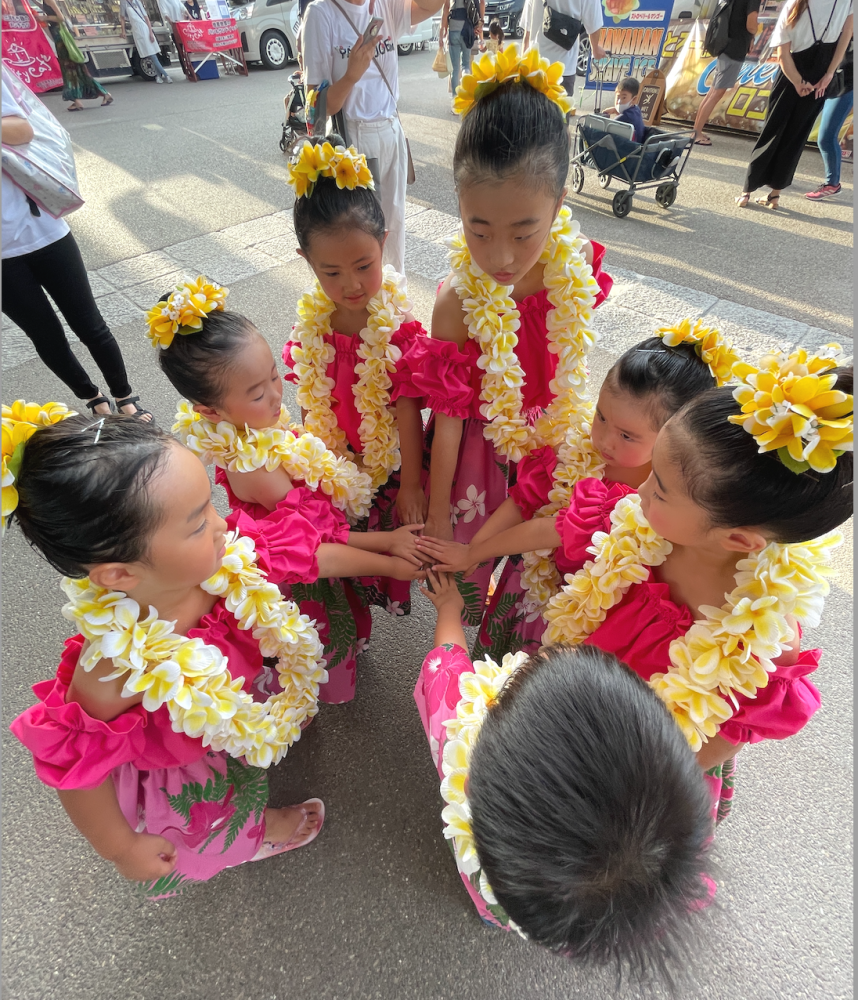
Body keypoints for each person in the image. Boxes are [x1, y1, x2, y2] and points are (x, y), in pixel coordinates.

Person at [7, 412, 331, 900]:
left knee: (247, 756)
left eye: (211, 507)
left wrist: (388, 552)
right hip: (184, 766)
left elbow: (304, 552)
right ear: (119, 575)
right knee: (223, 812)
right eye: (199, 522)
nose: (223, 526)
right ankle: (251, 836)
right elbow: (76, 772)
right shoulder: (112, 671)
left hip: (233, 713)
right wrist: (120, 847)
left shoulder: (220, 567)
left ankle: (256, 761)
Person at [540, 354, 852, 834]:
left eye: (659, 490)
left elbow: (721, 740)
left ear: (739, 540)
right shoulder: (643, 539)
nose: (638, 492)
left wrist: (632, 781)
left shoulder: (758, 639)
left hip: (649, 764)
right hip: (586, 701)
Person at [416, 567, 714, 978]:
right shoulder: (671, 839)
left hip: (503, 884)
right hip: (564, 917)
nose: (560, 649)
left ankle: (494, 912)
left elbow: (447, 667)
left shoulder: (457, 731)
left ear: (474, 787)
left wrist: (450, 608)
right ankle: (519, 918)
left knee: (491, 897)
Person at [404, 47, 612, 625]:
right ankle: (458, 676)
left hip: (553, 443)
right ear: (461, 207)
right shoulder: (455, 303)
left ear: (559, 207)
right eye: (479, 230)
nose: (501, 257)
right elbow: (447, 421)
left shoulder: (575, 270)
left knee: (534, 586)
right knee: (464, 580)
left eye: (525, 234)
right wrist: (440, 509)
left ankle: (514, 678)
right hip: (475, 454)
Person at [152, 272, 425, 703]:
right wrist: (390, 549)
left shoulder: (250, 428)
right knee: (318, 640)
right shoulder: (254, 468)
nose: (277, 396)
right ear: (208, 410)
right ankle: (313, 694)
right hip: (305, 577)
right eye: (257, 392)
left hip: (316, 556)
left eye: (275, 376)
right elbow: (314, 547)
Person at [415, 321, 735, 660]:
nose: (605, 441)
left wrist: (472, 554)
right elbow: (522, 501)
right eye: (601, 417)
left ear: (674, 435)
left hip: (586, 611)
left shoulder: (668, 496)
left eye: (627, 436)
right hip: (528, 586)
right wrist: (474, 550)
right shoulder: (573, 446)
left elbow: (551, 529)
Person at [281, 138, 431, 700]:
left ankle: (361, 619)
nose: (350, 284)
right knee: (339, 553)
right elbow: (307, 396)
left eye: (364, 266)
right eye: (332, 271)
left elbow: (408, 407)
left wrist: (413, 483)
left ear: (384, 242)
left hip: (386, 467)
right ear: (308, 265)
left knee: (373, 548)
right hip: (333, 459)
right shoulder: (312, 327)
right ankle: (346, 633)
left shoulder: (398, 330)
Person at [1, 85, 151, 421]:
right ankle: (92, 397)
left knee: (90, 325)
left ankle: (124, 396)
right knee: (45, 337)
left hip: (43, 229)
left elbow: (22, 129)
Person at [300, 0, 448, 273]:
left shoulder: (385, 4)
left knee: (395, 229)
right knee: (365, 236)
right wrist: (350, 76)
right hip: (355, 137)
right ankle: (369, 308)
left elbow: (429, 6)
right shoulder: (321, 14)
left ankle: (394, 304)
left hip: (392, 129)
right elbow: (317, 108)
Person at [736, 0, 853, 208]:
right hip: (821, 74)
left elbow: (782, 54)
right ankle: (775, 195)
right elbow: (846, 36)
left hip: (791, 72)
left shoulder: (794, 4)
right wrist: (829, 73)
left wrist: (798, 82)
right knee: (796, 136)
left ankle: (746, 191)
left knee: (773, 131)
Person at [693, 0, 760, 145]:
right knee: (717, 92)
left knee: (713, 91)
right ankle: (697, 133)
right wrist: (755, 31)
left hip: (725, 44)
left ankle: (696, 130)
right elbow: (751, 24)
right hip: (735, 48)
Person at [522, 0, 606, 101]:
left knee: (533, 114)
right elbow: (594, 24)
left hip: (534, 67)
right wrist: (595, 50)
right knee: (560, 115)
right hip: (563, 69)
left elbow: (527, 31)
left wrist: (523, 65)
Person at [37, 0, 113, 111]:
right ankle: (79, 100)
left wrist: (44, 18)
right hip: (59, 35)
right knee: (73, 69)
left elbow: (60, 17)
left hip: (61, 36)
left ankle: (100, 95)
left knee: (71, 69)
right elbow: (49, 10)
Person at [807, 39, 853, 196]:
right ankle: (781, 175)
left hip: (847, 85)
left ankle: (832, 183)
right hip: (827, 80)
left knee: (826, 137)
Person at [440, 0, 485, 109]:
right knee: (466, 65)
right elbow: (482, 2)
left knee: (455, 69)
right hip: (467, 28)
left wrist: (443, 29)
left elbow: (446, 7)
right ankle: (466, 97)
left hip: (454, 28)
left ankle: (455, 103)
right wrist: (480, 23)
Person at [121, 0, 172, 84]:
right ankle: (158, 77)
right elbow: (122, 17)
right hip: (136, 30)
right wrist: (123, 31)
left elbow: (146, 17)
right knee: (150, 55)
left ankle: (166, 75)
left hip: (144, 29)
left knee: (153, 55)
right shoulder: (124, 3)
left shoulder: (137, 2)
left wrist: (150, 33)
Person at [604, 75, 645, 141]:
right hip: (638, 144)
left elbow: (606, 128)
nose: (619, 101)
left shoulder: (623, 117)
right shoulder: (636, 109)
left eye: (624, 98)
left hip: (627, 148)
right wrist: (615, 110)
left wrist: (604, 115)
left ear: (634, 99)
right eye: (618, 97)